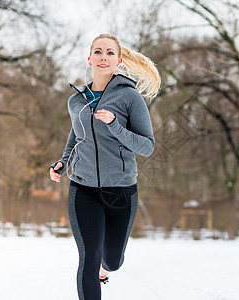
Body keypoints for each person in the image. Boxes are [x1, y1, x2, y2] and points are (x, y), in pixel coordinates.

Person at [49, 34, 160, 300]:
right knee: (88, 257)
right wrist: (64, 162)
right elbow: (77, 136)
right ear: (89, 58)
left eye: (110, 53)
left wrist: (115, 126)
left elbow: (147, 146)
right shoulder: (77, 101)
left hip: (121, 191)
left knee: (112, 260)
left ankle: (105, 268)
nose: (103, 57)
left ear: (118, 60)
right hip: (83, 189)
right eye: (98, 52)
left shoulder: (130, 97)